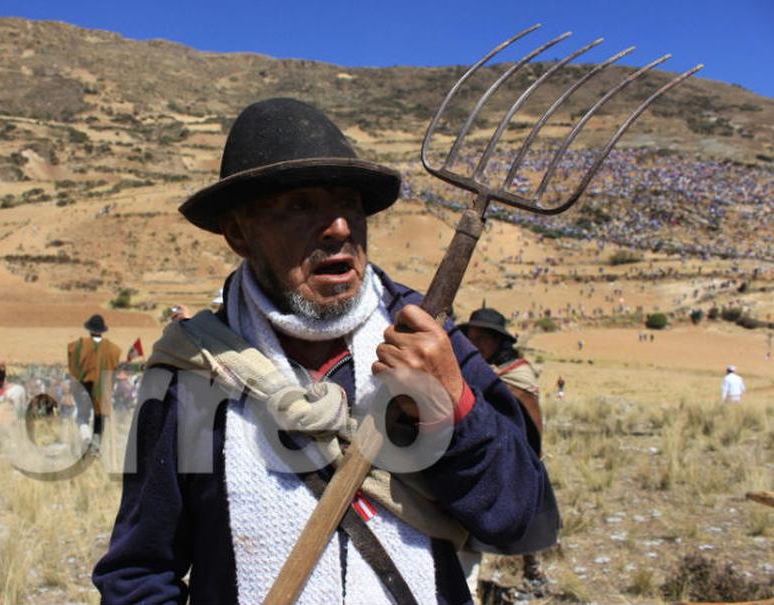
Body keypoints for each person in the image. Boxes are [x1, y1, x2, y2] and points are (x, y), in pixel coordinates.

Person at [93, 98, 555, 604]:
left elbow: (523, 522)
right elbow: (139, 574)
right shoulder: (192, 373)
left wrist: (453, 408)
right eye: (300, 205)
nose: (339, 227)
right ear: (238, 233)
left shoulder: (431, 343)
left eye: (350, 204)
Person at [459, 307, 547, 592]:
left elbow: (524, 422)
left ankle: (533, 571)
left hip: (516, 457)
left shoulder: (517, 375)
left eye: (481, 338)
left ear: (497, 341)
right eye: (470, 337)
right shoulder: (478, 370)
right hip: (482, 456)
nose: (474, 344)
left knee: (527, 517)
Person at [67, 314, 121, 451]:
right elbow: (113, 373)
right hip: (103, 392)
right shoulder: (113, 350)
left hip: (85, 390)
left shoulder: (79, 346)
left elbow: (74, 371)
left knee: (82, 417)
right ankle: (95, 449)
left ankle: (86, 437)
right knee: (99, 421)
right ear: (102, 330)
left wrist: (72, 390)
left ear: (89, 329)